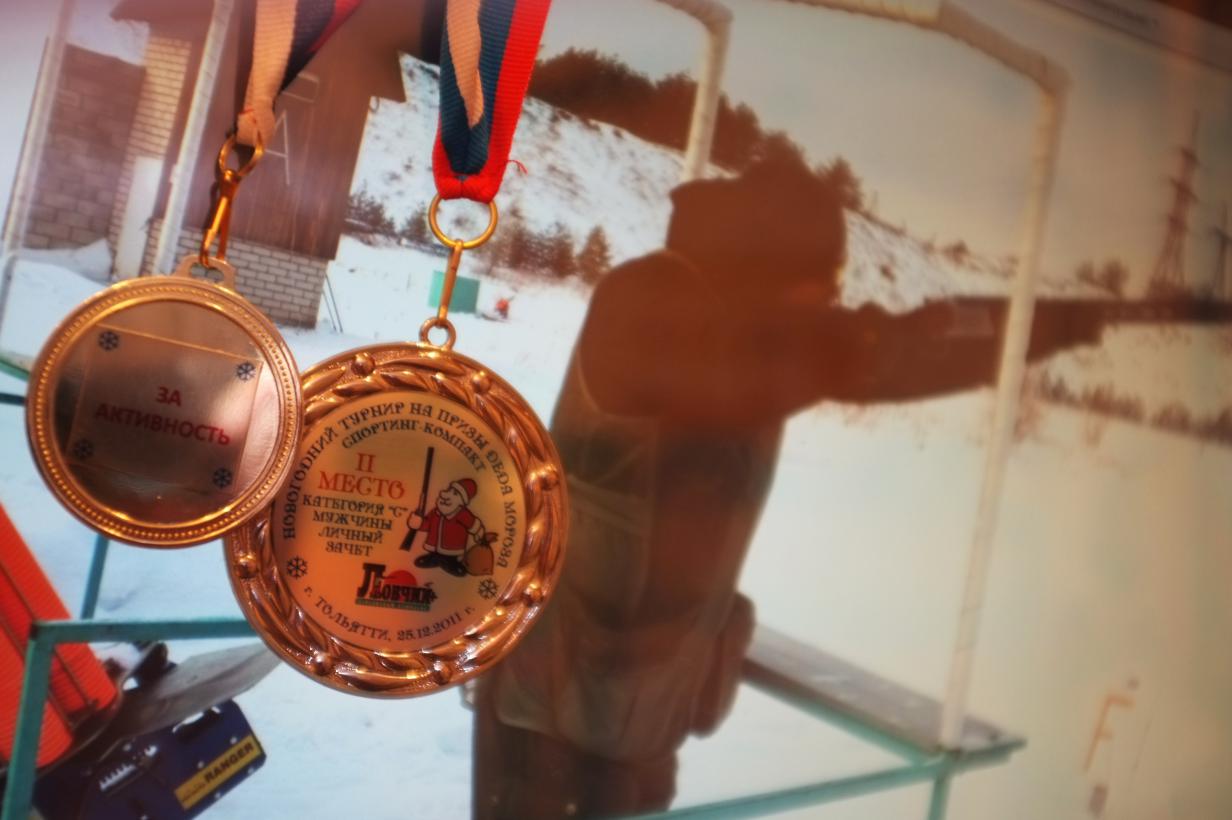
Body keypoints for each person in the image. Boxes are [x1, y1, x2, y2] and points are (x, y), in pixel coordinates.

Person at [471, 156, 1102, 818]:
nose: (830, 300)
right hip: (548, 723)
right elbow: (855, 353)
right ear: (772, 265)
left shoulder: (718, 330)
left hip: (631, 710)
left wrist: (1028, 326)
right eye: (824, 282)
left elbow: (850, 351)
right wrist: (1021, 329)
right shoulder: (656, 302)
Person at [404, 478, 486, 578]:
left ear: (461, 501)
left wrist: (478, 533)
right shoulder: (435, 512)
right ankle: (440, 561)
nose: (449, 495)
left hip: (453, 551)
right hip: (434, 550)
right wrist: (418, 523)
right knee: (420, 562)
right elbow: (427, 524)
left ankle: (447, 563)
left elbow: (473, 524)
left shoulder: (462, 514)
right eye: (450, 490)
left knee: (454, 566)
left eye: (455, 493)